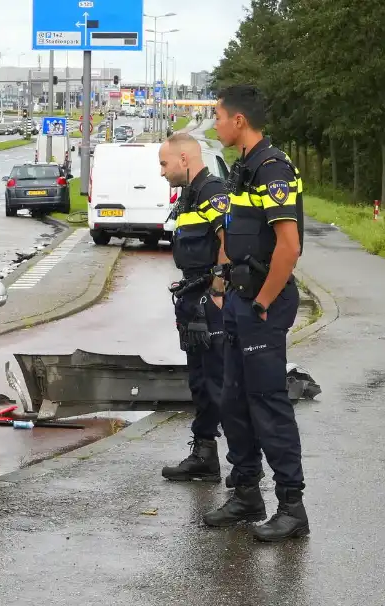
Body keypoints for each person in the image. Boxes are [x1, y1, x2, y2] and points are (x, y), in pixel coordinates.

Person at [203, 84, 310, 542]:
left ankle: (292, 507)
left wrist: (263, 301)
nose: (214, 124)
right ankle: (247, 492)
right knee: (233, 400)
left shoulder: (272, 169)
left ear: (239, 121)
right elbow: (235, 236)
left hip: (264, 302)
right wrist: (222, 285)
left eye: (218, 116)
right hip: (240, 301)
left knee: (268, 404)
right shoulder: (241, 169)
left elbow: (289, 247)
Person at [157, 133, 232, 483]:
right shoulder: (189, 194)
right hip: (192, 296)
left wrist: (217, 289)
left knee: (217, 381)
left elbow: (228, 239)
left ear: (184, 158)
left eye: (164, 163)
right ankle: (204, 455)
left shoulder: (212, 191)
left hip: (208, 299)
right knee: (201, 382)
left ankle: (244, 466)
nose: (161, 172)